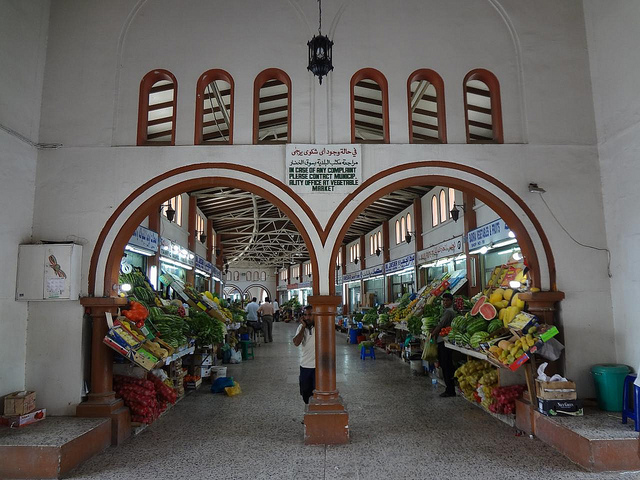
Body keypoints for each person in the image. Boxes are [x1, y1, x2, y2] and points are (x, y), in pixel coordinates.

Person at [431, 292, 457, 397]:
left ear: (451, 301)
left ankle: (450, 390)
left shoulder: (448, 312)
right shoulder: (447, 311)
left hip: (444, 342)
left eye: (447, 300)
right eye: (444, 300)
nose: (445, 302)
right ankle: (450, 388)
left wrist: (433, 334)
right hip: (445, 340)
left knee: (446, 366)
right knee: (447, 365)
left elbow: (441, 325)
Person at [292, 305, 315, 404]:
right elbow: (296, 343)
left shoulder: (320, 326)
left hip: (318, 367)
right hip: (305, 365)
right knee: (305, 392)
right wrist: (303, 327)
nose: (307, 317)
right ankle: (308, 414)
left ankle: (316, 416)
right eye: (305, 315)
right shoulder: (301, 327)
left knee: (317, 393)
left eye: (310, 315)